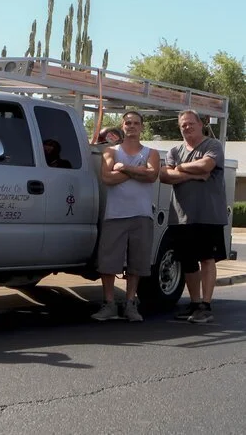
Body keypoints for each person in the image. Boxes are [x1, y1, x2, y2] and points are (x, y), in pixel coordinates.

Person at [160, 109, 227, 324]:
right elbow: (164, 175)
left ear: (200, 124)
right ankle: (195, 303)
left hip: (208, 215)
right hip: (181, 217)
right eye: (183, 125)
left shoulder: (213, 146)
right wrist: (194, 174)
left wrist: (179, 168)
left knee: (206, 259)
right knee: (188, 261)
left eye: (191, 123)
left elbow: (207, 165)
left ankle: (206, 305)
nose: (187, 127)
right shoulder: (175, 150)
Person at [92, 111, 160, 322]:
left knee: (137, 263)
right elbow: (107, 178)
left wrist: (124, 168)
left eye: (136, 123)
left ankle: (131, 304)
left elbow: (152, 175)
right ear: (122, 126)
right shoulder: (111, 151)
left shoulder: (151, 153)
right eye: (128, 123)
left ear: (142, 127)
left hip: (142, 215)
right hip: (115, 215)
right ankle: (109, 304)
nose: (131, 126)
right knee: (108, 262)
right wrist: (137, 171)